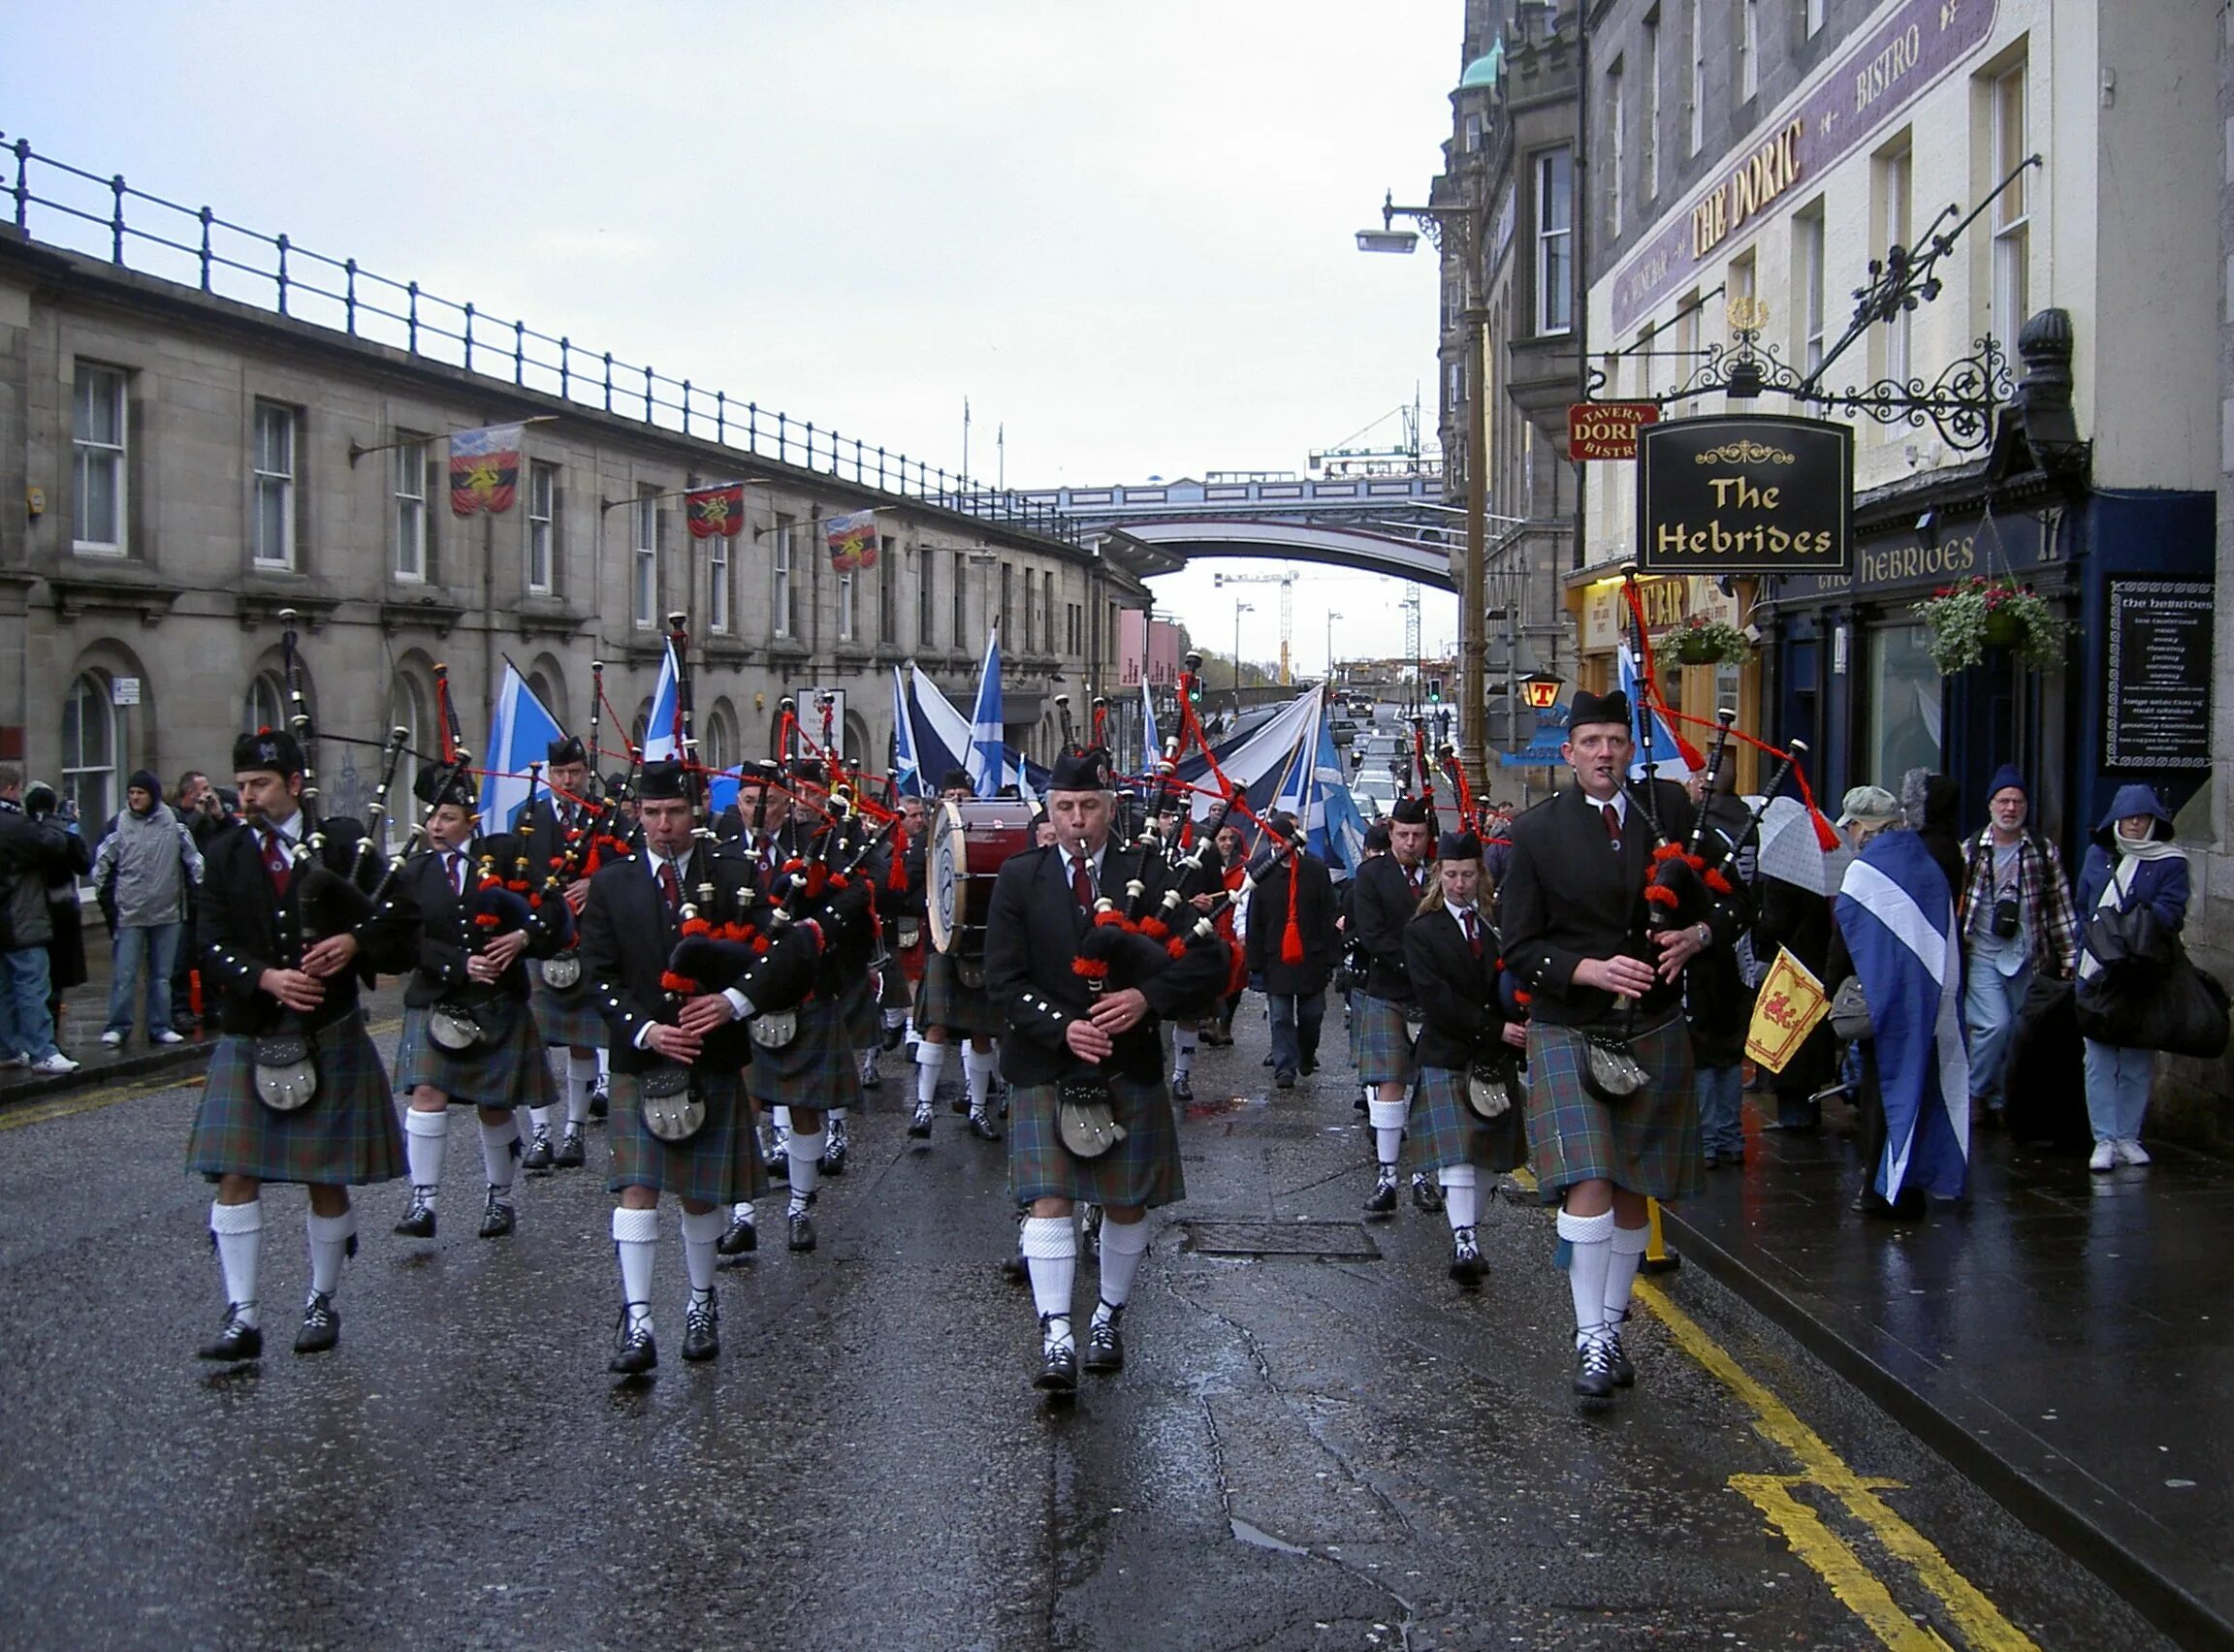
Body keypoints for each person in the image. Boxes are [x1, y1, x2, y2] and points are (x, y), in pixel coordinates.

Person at [1500, 688, 1739, 1403]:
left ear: (1630, 749)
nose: (1605, 753)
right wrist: (1588, 969)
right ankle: (1592, 1339)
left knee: (1636, 1189)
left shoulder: (1669, 814)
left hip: (1654, 1025)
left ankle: (1611, 1322)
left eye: (1616, 740)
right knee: (1591, 1178)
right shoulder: (1538, 833)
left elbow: (1734, 904)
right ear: (1569, 752)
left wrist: (1696, 937)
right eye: (1591, 742)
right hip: (1568, 1022)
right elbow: (1517, 946)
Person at [981, 747, 1229, 1395]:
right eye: (1064, 807)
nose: (1077, 820)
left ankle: (1108, 1316)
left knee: (1124, 1202)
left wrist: (1147, 997)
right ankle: (1056, 1333)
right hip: (1046, 1059)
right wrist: (1063, 1025)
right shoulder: (1019, 877)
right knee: (1050, 1199)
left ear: (1110, 808)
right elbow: (1003, 982)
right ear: (1049, 810)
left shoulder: (1149, 870)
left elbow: (1208, 962)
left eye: (1089, 806)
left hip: (1130, 1060)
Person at [184, 727, 407, 1359]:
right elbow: (208, 938)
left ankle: (321, 1300)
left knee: (323, 1178)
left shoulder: (341, 845)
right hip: (253, 1030)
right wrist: (265, 977)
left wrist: (357, 944)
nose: (246, 795)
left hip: (327, 1031)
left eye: (259, 784)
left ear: (293, 784)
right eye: (242, 784)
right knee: (235, 1174)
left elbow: (399, 921)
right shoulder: (225, 853)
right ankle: (243, 1315)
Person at [577, 757, 767, 1373]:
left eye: (675, 812)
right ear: (638, 814)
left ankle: (701, 1302)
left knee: (696, 1195)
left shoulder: (735, 874)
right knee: (636, 1190)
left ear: (696, 812)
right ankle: (637, 1319)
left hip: (709, 1054)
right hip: (642, 1056)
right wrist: (646, 1029)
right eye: (652, 813)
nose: (664, 825)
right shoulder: (612, 883)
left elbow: (762, 958)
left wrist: (729, 1005)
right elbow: (598, 978)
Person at [389, 769, 569, 1243]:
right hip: (439, 996)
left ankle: (499, 1198)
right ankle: (423, 1201)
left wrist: (522, 935)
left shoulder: (504, 858)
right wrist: (458, 965)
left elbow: (552, 913)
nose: (436, 827)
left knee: (494, 1105)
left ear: (471, 822)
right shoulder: (414, 873)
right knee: (427, 1096)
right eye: (433, 818)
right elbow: (406, 942)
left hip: (497, 1000)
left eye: (447, 818)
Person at [740, 756, 871, 1247]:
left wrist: (818, 927)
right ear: (739, 802)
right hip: (744, 993)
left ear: (786, 803)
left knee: (803, 1105)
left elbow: (857, 895)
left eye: (770, 803)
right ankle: (743, 1210)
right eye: (751, 801)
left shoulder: (818, 843)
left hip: (804, 987)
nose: (761, 812)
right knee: (744, 1102)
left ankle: (799, 1203)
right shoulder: (725, 848)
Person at [1402, 829, 1527, 1286]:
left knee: (1488, 1159)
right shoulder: (1422, 930)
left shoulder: (1498, 923)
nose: (1459, 884)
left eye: (1468, 874)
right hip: (1449, 1051)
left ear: (1481, 875)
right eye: (1451, 875)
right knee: (1457, 1152)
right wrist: (1498, 1027)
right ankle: (1464, 1239)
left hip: (1496, 1055)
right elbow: (1437, 1000)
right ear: (1439, 876)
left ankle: (1469, 1229)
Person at [2074, 786, 2189, 1171]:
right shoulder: (2098, 856)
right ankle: (2104, 1139)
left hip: (2143, 971)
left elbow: (2172, 911)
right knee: (2099, 1059)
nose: (2136, 823)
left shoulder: (2171, 862)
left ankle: (2128, 1136)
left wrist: (2129, 926)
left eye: (2142, 816)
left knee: (2137, 1059)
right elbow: (2083, 908)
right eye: (2129, 816)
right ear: (2116, 819)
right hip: (2099, 972)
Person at [1958, 766, 2077, 1127]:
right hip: (1983, 953)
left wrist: (2070, 954)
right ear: (1990, 805)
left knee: (2021, 1033)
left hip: (2029, 955)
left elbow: (2060, 907)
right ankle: (1975, 1093)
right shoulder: (1971, 851)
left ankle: (2002, 1099)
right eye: (2003, 801)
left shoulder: (2042, 851)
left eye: (2017, 801)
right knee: (1995, 1025)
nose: (2010, 808)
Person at [518, 736, 609, 1168]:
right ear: (550, 776)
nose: (567, 780)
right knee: (536, 1041)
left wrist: (595, 883)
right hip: (541, 937)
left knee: (582, 1041)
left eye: (574, 772)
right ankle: (540, 1133)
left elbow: (625, 868)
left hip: (588, 939)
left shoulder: (604, 817)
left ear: (585, 773)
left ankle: (573, 1130)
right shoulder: (529, 817)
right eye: (559, 774)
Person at [1351, 795, 1436, 1217]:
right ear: (1391, 833)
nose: (1410, 843)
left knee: (1425, 1086)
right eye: (1403, 835)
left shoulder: (1441, 875)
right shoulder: (1371, 875)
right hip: (1388, 988)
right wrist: (1418, 967)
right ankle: (1387, 1178)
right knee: (1390, 1083)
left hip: (1434, 995)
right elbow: (1372, 935)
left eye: (1418, 836)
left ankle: (1422, 1176)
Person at [910, 769, 1004, 1140]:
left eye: (963, 793)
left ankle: (979, 1109)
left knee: (981, 1029)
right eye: (951, 793)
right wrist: (938, 911)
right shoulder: (929, 837)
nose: (957, 799)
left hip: (979, 942)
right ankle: (923, 1107)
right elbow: (908, 887)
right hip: (943, 939)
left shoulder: (985, 830)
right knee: (936, 1026)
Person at [93, 768, 205, 1048]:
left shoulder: (174, 822)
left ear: (152, 795)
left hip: (167, 913)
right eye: (131, 793)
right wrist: (110, 909)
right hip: (130, 914)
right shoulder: (119, 824)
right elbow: (101, 867)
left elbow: (195, 862)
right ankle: (118, 1026)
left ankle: (160, 1025)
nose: (134, 798)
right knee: (124, 975)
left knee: (161, 977)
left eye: (140, 793)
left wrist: (196, 897)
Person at [1242, 810, 1336, 1089]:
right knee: (1281, 1016)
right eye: (1274, 841)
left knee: (1312, 1015)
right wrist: (1254, 961)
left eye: (1285, 841)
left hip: (1311, 957)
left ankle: (1306, 1053)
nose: (1279, 846)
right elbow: (1254, 919)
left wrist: (1332, 956)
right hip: (1276, 959)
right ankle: (1285, 1067)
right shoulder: (1264, 876)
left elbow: (1328, 915)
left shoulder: (1316, 871)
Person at [0, 765, 84, 1072]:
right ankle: (42, 1052)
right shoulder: (14, 825)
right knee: (32, 988)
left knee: (5, 990)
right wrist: (53, 818)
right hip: (22, 919)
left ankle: (8, 1049)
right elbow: (53, 843)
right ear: (11, 789)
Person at [172, 770, 229, 1034]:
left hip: (208, 899)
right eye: (203, 788)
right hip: (182, 900)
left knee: (210, 956)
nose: (209, 792)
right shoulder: (176, 817)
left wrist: (220, 815)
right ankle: (180, 1010)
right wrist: (197, 814)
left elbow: (230, 841)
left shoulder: (210, 821)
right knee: (182, 960)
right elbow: (180, 840)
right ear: (190, 793)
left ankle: (212, 1005)